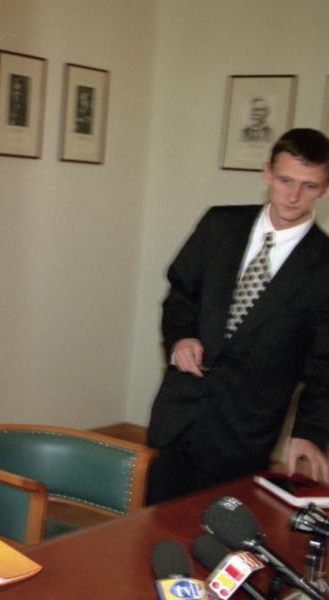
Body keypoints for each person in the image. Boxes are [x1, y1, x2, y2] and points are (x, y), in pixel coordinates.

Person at [146, 128, 329, 504]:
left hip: (243, 433)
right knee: (153, 526)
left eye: (309, 186)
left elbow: (325, 364)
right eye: (285, 180)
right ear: (267, 173)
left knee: (220, 530)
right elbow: (181, 295)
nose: (293, 196)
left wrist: (309, 432)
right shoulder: (219, 225)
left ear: (324, 189)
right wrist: (181, 337)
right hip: (177, 416)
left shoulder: (324, 265)